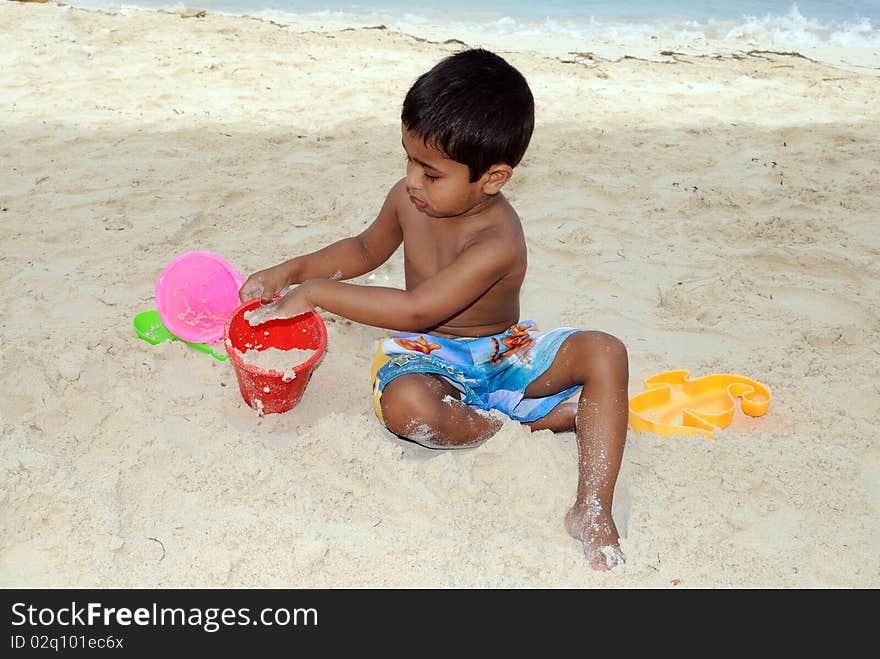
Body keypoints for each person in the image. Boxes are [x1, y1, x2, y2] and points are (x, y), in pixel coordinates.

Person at [239, 48, 629, 571]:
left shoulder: (498, 239)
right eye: (409, 160)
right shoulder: (407, 198)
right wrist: (289, 272)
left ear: (491, 178)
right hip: (427, 357)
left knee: (606, 352)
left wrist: (313, 293)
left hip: (503, 356)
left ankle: (593, 505)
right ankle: (516, 426)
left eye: (432, 173)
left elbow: (419, 307)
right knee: (407, 411)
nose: (413, 181)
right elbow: (361, 252)